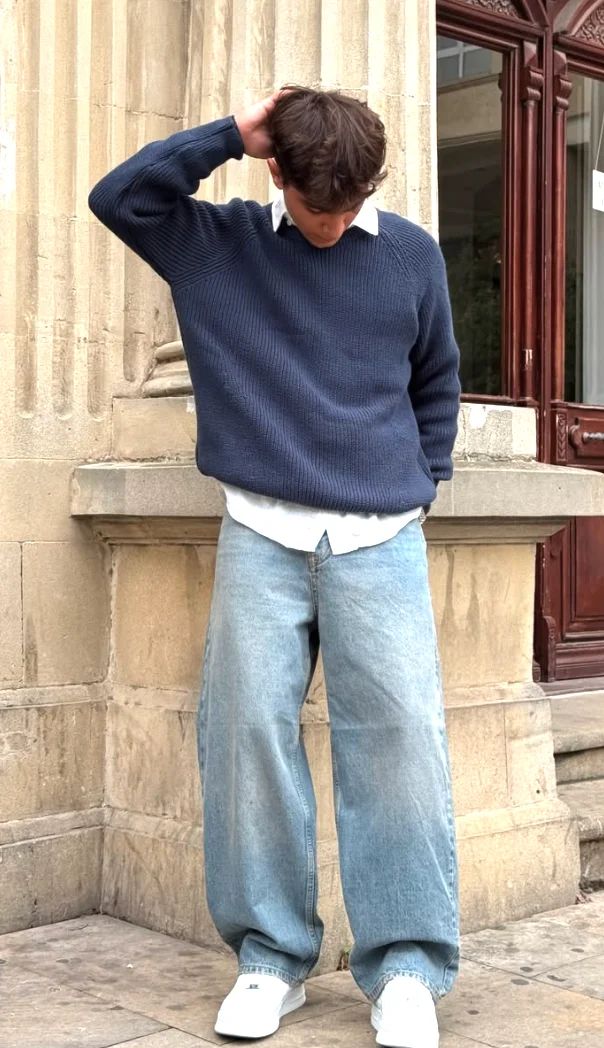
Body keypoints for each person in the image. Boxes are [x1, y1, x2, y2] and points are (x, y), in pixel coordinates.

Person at [88, 84, 462, 1048]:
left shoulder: (411, 255)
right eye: (313, 201)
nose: (331, 222)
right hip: (260, 528)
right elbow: (118, 197)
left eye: (348, 202)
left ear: (371, 183)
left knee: (401, 745)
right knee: (246, 738)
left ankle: (407, 969)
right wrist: (230, 133)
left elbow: (437, 380)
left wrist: (424, 480)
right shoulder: (216, 246)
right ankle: (270, 958)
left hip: (382, 534)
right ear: (277, 172)